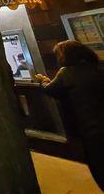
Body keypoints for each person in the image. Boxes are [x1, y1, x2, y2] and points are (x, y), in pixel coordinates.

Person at [35, 40, 104, 190]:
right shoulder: (98, 68)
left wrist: (42, 81)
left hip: (88, 130)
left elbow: (51, 89)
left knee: (98, 167)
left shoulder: (67, 72)